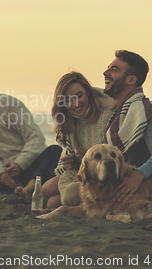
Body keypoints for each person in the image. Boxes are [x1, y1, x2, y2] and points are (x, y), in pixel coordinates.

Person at [0, 65, 62, 195]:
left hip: (30, 168)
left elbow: (36, 137)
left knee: (55, 151)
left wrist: (19, 163)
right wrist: (0, 174)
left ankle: (30, 189)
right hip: (8, 178)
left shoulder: (5, 103)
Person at [102, 50, 152, 202]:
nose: (105, 72)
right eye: (108, 68)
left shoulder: (145, 112)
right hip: (133, 187)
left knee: (71, 195)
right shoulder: (119, 114)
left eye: (114, 69)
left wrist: (138, 175)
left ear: (131, 80)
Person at [40, 72, 115, 207]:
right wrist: (73, 163)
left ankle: (77, 205)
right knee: (45, 189)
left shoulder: (107, 112)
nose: (75, 104)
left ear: (88, 92)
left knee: (52, 203)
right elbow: (79, 158)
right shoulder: (70, 120)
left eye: (79, 96)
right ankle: (74, 203)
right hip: (83, 169)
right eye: (68, 100)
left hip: (101, 172)